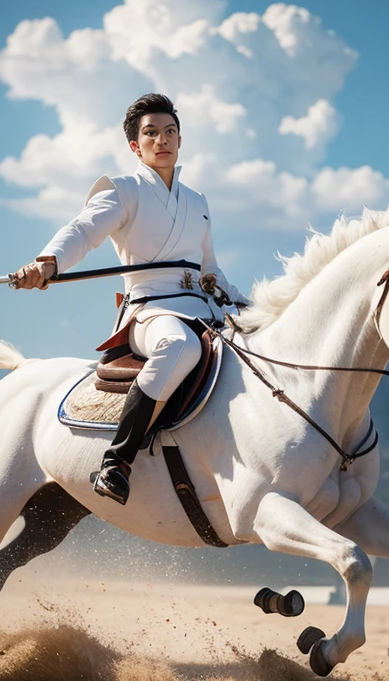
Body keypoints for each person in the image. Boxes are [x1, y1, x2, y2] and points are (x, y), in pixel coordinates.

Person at [14, 93, 248, 505]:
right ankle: (117, 462)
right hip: (151, 312)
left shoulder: (198, 202)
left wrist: (247, 306)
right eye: (152, 133)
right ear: (135, 147)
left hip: (205, 308)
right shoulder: (122, 190)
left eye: (170, 132)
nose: (163, 140)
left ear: (180, 139)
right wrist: (48, 262)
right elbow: (84, 231)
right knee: (178, 346)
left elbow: (210, 270)